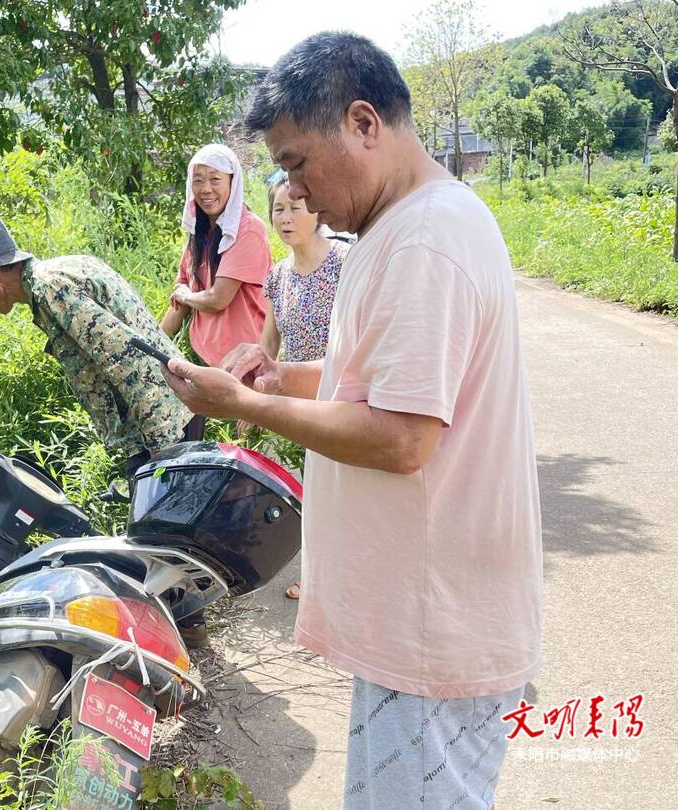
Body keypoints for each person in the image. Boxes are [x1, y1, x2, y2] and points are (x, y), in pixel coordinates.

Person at [160, 32, 541, 809]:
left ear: (364, 124)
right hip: (417, 618)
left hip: (435, 625)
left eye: (297, 163)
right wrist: (281, 377)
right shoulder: (391, 228)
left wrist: (248, 405)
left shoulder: (426, 240)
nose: (292, 188)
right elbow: (373, 384)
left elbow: (403, 438)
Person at [0, 215, 204, 484]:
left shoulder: (50, 288)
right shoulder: (57, 273)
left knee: (162, 524)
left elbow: (126, 360)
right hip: (170, 413)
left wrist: (162, 448)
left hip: (164, 424)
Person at [253, 174, 348, 601]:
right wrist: (251, 399)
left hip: (343, 396)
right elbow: (270, 342)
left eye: (296, 207)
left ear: (316, 209)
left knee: (344, 491)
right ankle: (321, 577)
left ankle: (342, 579)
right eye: (279, 209)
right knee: (314, 491)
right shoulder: (277, 276)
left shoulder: (345, 262)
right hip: (299, 403)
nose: (287, 217)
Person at [160, 144, 271, 366]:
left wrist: (186, 296)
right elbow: (179, 295)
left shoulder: (248, 230)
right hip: (204, 361)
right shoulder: (201, 233)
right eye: (198, 180)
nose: (206, 189)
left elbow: (217, 299)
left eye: (215, 179)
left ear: (232, 181)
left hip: (243, 365)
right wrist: (154, 342)